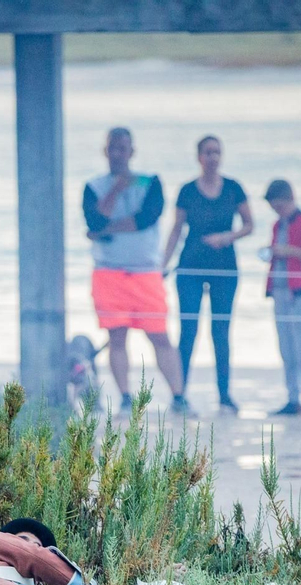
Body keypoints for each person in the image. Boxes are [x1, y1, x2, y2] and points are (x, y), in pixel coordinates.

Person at [83, 127, 190, 418]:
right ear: (105, 151)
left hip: (145, 272)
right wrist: (116, 190)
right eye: (113, 148)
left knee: (160, 336)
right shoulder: (94, 186)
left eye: (123, 148)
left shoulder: (150, 182)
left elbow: (146, 218)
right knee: (117, 338)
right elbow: (94, 219)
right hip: (108, 272)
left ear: (132, 152)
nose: (118, 154)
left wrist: (104, 230)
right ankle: (125, 398)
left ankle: (179, 396)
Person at [161, 135, 252, 413]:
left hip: (225, 268)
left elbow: (249, 225)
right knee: (188, 330)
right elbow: (176, 229)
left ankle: (224, 396)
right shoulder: (187, 190)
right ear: (198, 157)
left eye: (217, 152)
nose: (213, 157)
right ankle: (179, 395)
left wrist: (227, 237)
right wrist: (162, 265)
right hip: (190, 266)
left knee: (221, 332)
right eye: (208, 152)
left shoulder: (234, 188)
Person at [263, 179, 301, 416]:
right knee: (286, 348)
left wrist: (289, 251)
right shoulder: (277, 226)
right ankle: (293, 399)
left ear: (289, 199)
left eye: (279, 206)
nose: (277, 211)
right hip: (280, 290)